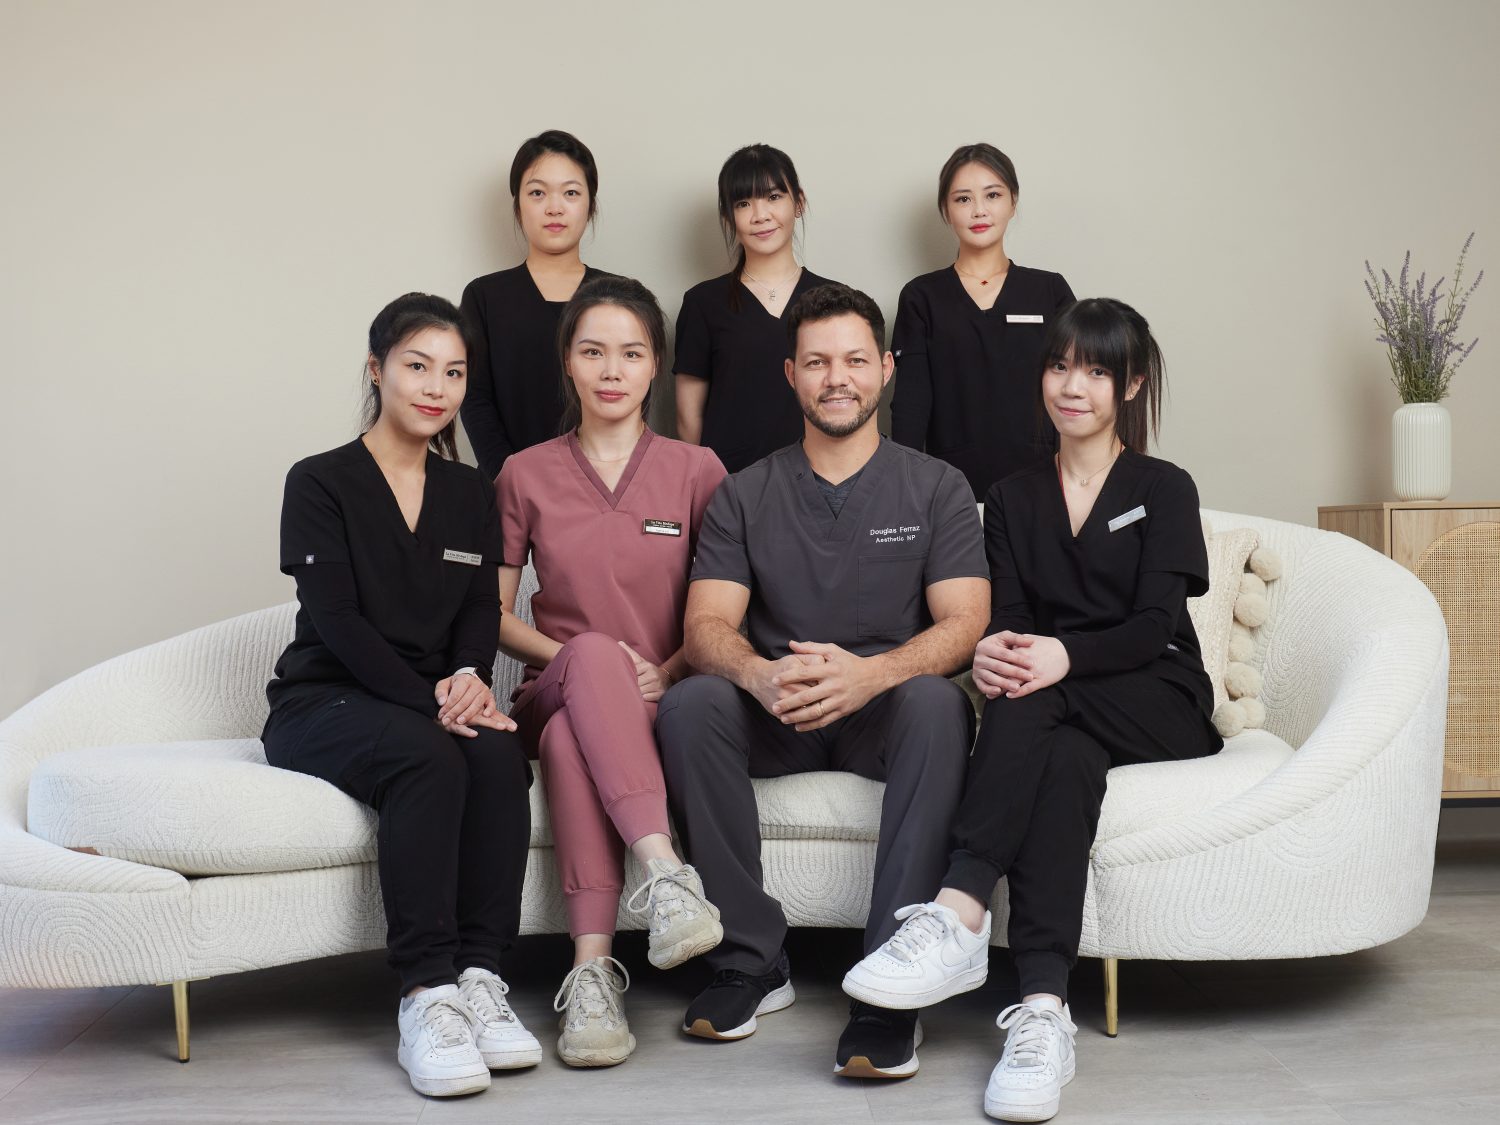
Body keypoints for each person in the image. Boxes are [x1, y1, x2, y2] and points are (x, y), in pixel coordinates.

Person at [842, 298, 1224, 1121]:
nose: (1072, 386)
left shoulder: (1164, 488)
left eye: (1095, 370)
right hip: (1060, 709)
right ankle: (1045, 1010)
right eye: (1059, 366)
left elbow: (1154, 627)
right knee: (1060, 755)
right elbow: (1010, 620)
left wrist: (1061, 657)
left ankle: (959, 906)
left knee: (1034, 691)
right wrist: (994, 651)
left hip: (1158, 695)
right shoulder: (1011, 497)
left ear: (1131, 384)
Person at [656, 282, 990, 1079]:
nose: (837, 378)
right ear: (791, 374)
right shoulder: (745, 491)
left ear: (885, 368)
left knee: (939, 703)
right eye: (816, 362)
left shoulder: (937, 486)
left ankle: (892, 984)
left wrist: (873, 675)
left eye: (854, 360)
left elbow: (966, 621)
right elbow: (704, 626)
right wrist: (758, 673)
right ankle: (750, 959)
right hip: (781, 710)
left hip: (885, 713)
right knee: (693, 701)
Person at [261, 293, 540, 1098]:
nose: (436, 387)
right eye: (418, 366)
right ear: (377, 369)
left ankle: (481, 977)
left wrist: (470, 678)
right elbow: (338, 623)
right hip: (326, 700)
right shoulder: (320, 481)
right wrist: (435, 704)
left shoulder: (470, 491)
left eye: (454, 372)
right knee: (431, 755)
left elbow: (477, 611)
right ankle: (426, 991)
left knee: (497, 754)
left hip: (427, 700)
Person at [494, 275, 729, 1067]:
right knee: (586, 666)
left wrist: (668, 668)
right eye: (593, 351)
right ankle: (665, 872)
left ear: (655, 364)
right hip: (551, 683)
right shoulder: (524, 473)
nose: (611, 370)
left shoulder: (697, 469)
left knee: (571, 740)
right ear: (568, 360)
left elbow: (725, 605)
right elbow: (492, 615)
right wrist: (580, 657)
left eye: (631, 353)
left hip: (661, 699)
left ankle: (592, 973)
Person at [890, 143, 1076, 499]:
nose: (979, 210)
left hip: (1044, 484)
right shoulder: (921, 297)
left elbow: (1076, 389)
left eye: (992, 195)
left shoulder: (1050, 291)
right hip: (951, 488)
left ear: (1013, 201)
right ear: (946, 210)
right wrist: (906, 490)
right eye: (963, 199)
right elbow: (911, 406)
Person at [673, 143, 841, 473]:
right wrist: (708, 485)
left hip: (820, 480)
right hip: (729, 484)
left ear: (799, 203)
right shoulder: (702, 303)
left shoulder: (835, 300)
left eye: (773, 197)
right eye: (743, 203)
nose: (760, 215)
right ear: (728, 216)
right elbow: (688, 418)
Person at [460, 130, 611, 480]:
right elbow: (475, 399)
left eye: (571, 193)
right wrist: (510, 477)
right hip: (509, 487)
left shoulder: (618, 295)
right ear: (518, 206)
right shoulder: (484, 296)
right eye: (538, 193)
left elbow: (633, 396)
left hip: (605, 485)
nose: (554, 207)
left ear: (590, 204)